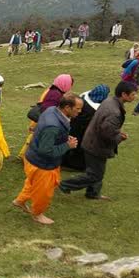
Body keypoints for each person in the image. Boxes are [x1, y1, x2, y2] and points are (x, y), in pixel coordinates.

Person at [60, 81, 136, 200]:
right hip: (96, 145)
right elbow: (107, 133)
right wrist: (120, 137)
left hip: (92, 141)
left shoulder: (109, 101)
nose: (135, 97)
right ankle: (65, 185)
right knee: (94, 174)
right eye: (133, 94)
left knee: (97, 171)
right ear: (124, 95)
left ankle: (93, 193)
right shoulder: (114, 112)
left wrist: (116, 131)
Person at [13, 92, 82, 224]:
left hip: (32, 158)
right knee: (44, 191)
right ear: (67, 107)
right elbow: (46, 150)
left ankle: (19, 201)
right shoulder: (53, 126)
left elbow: (47, 137)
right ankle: (37, 214)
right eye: (78, 109)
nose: (80, 111)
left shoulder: (52, 110)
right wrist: (67, 145)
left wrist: (62, 139)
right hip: (42, 164)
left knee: (32, 183)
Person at [62, 84, 110, 171]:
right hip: (82, 130)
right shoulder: (94, 109)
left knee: (70, 142)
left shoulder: (84, 96)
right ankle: (73, 165)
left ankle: (65, 162)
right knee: (78, 147)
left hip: (73, 125)